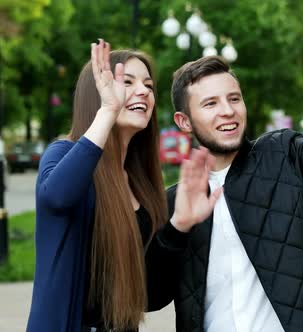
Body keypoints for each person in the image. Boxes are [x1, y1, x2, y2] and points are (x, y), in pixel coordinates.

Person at [156, 56, 303, 332]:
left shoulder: (283, 154)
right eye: (211, 103)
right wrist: (177, 228)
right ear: (184, 121)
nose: (228, 111)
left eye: (234, 99)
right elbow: (152, 298)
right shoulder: (175, 204)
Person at [25, 40, 220, 332]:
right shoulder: (63, 154)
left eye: (149, 85)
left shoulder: (141, 183)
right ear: (99, 93)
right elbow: (56, 197)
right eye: (126, 82)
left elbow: (149, 297)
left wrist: (179, 224)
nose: (143, 91)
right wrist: (107, 111)